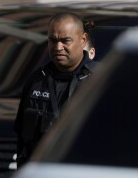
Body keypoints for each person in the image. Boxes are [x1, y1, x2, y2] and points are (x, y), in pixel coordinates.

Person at [15, 12, 95, 166]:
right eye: (52, 41)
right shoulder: (36, 80)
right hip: (39, 176)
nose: (58, 47)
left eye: (65, 41)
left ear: (83, 39)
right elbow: (22, 139)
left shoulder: (99, 80)